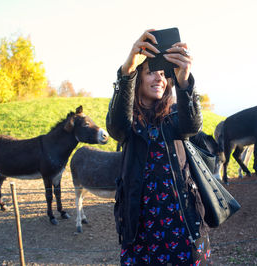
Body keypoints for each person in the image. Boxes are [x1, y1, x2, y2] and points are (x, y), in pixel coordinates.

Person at [106, 29, 212, 265]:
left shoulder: (175, 115)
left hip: (183, 224)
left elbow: (191, 126)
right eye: (151, 72)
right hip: (140, 229)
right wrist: (127, 69)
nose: (159, 78)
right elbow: (116, 127)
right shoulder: (128, 120)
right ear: (138, 78)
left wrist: (184, 79)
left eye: (165, 74)